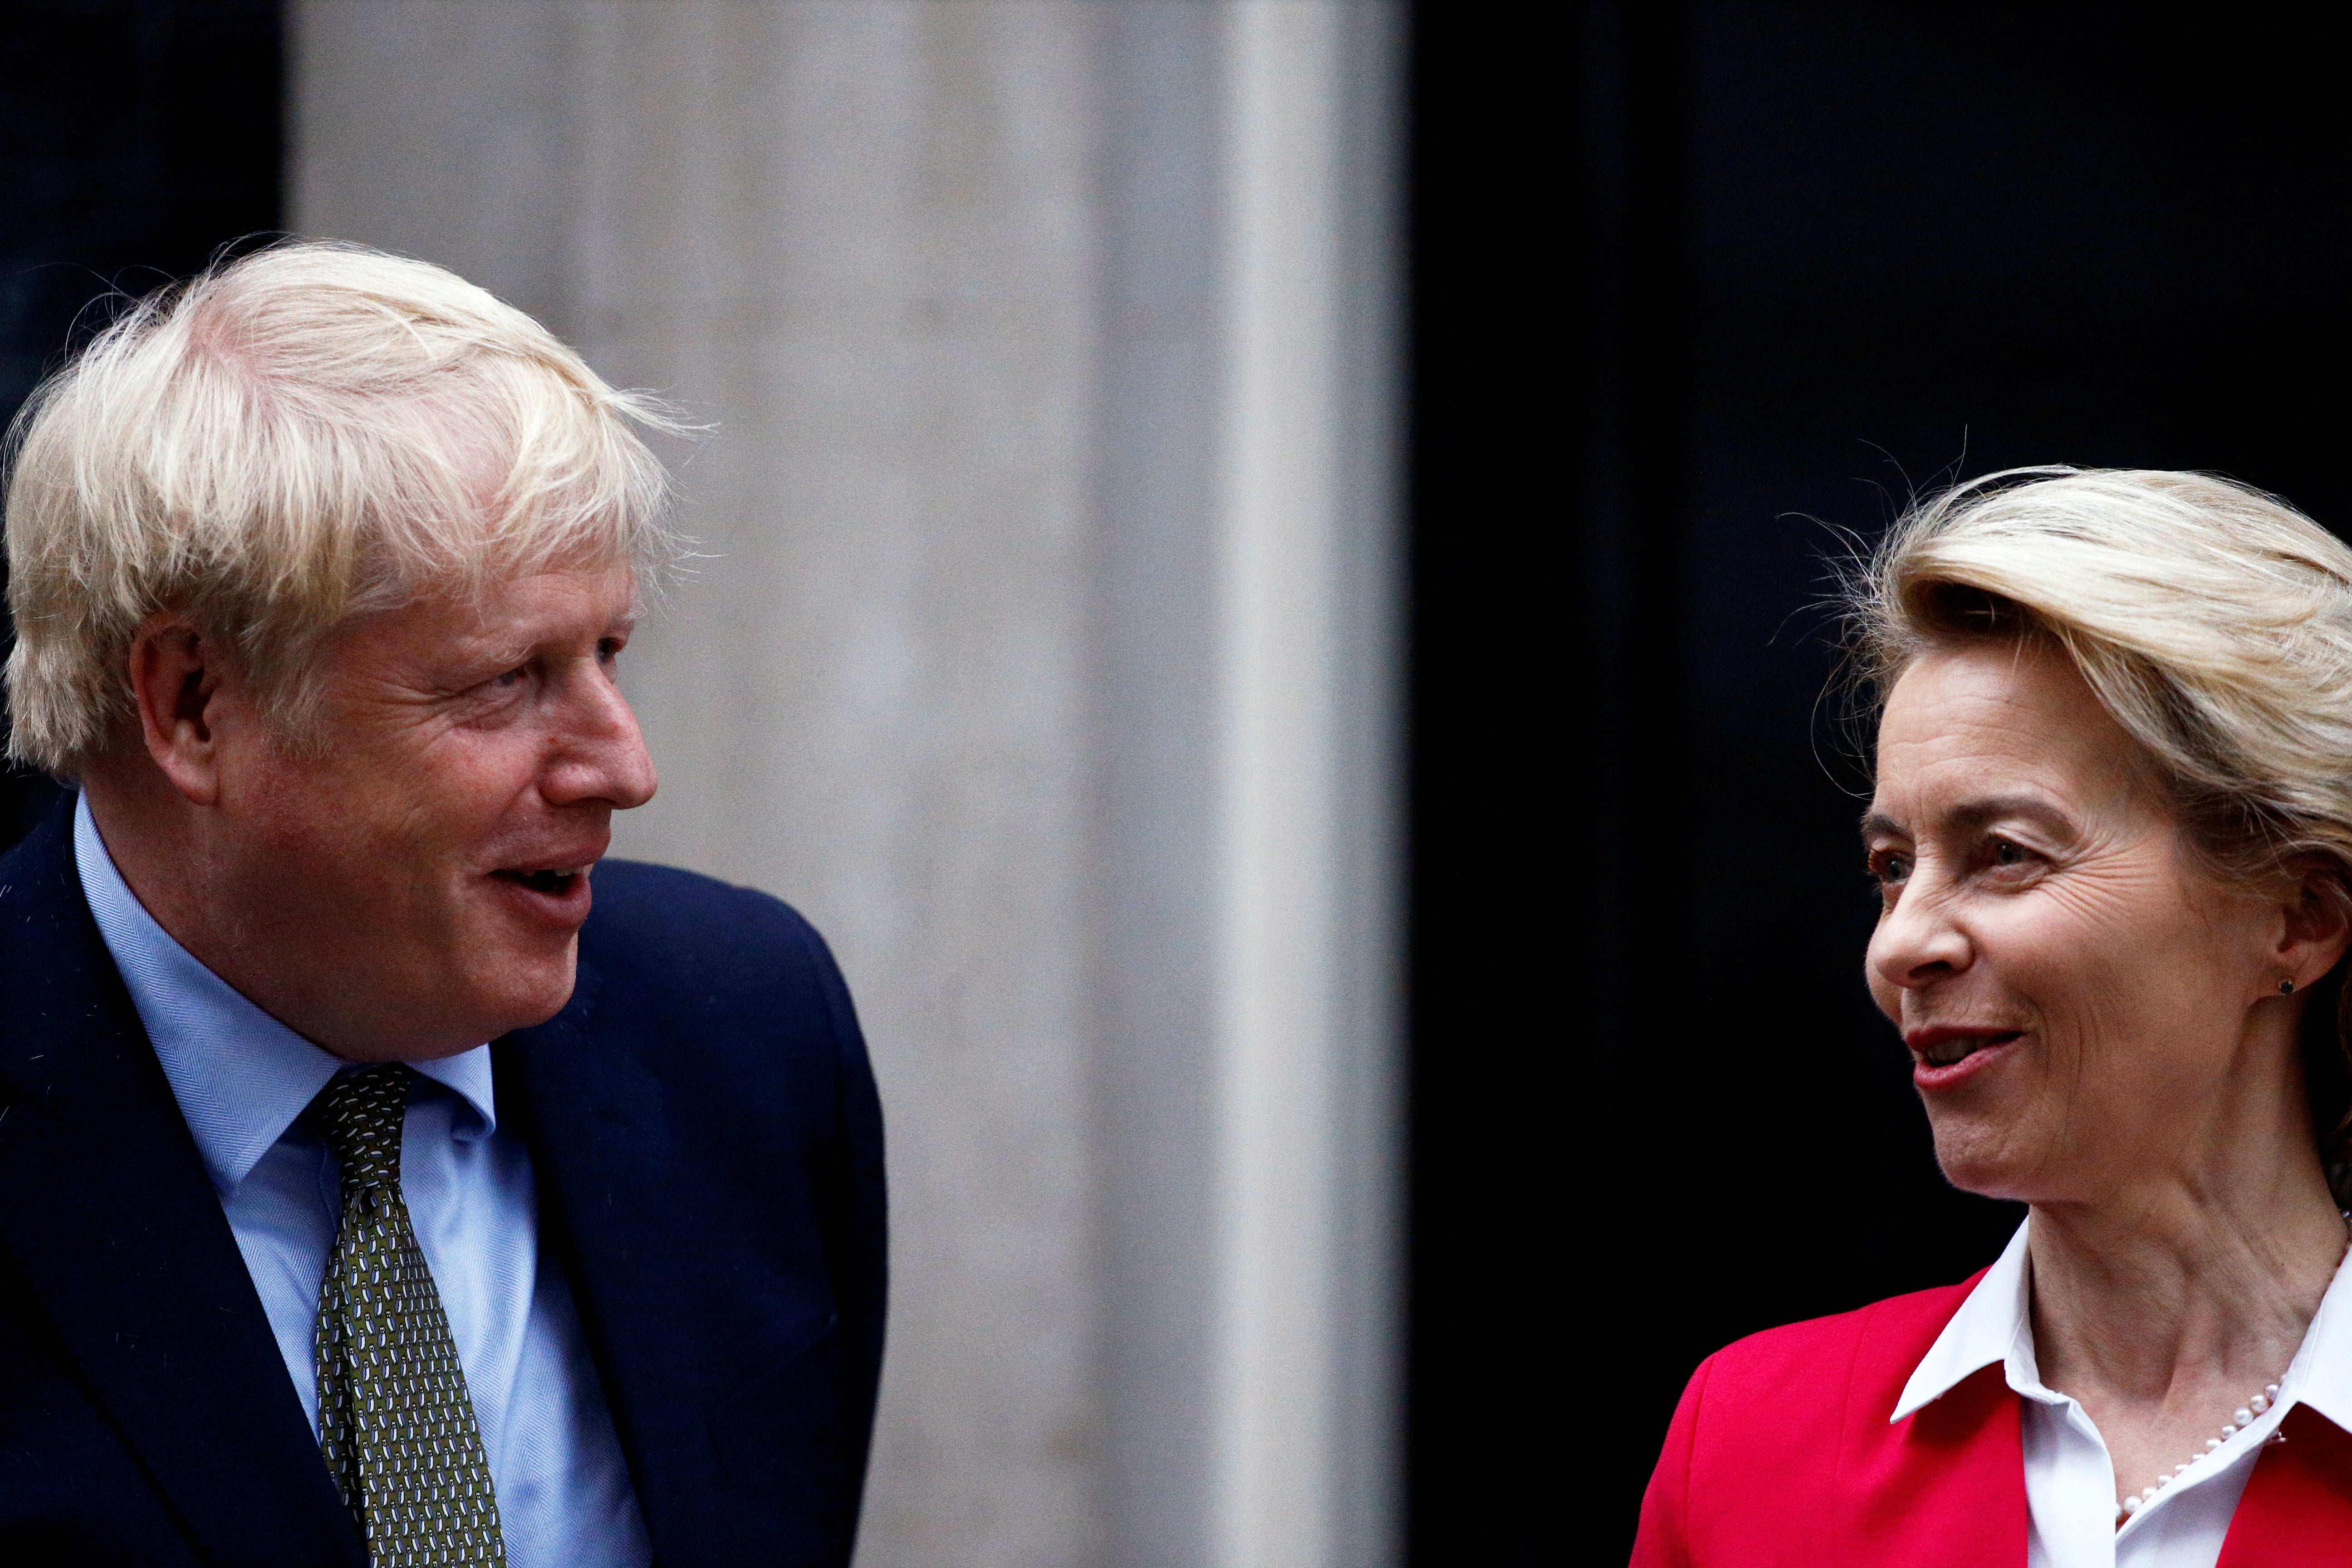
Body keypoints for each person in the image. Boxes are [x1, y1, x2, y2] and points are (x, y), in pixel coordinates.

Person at [0, 243, 885, 1567]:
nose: (625, 770)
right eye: (506, 680)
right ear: (193, 703)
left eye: (606, 652)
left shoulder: (745, 1030)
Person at [1632, 469, 2352, 1566]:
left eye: (2004, 854)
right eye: (1891, 866)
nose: (1899, 946)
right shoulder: (1751, 1443)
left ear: (2295, 920)